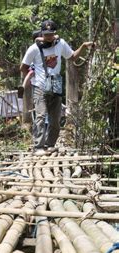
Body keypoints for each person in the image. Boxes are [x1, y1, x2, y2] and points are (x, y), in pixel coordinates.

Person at [20, 20, 94, 156]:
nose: (49, 37)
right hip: (40, 87)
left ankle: (50, 145)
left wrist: (83, 46)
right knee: (41, 116)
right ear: (42, 33)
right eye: (46, 34)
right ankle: (38, 147)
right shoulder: (34, 48)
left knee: (55, 118)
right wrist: (34, 77)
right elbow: (23, 67)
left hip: (56, 86)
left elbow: (72, 57)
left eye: (51, 34)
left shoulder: (61, 44)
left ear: (55, 33)